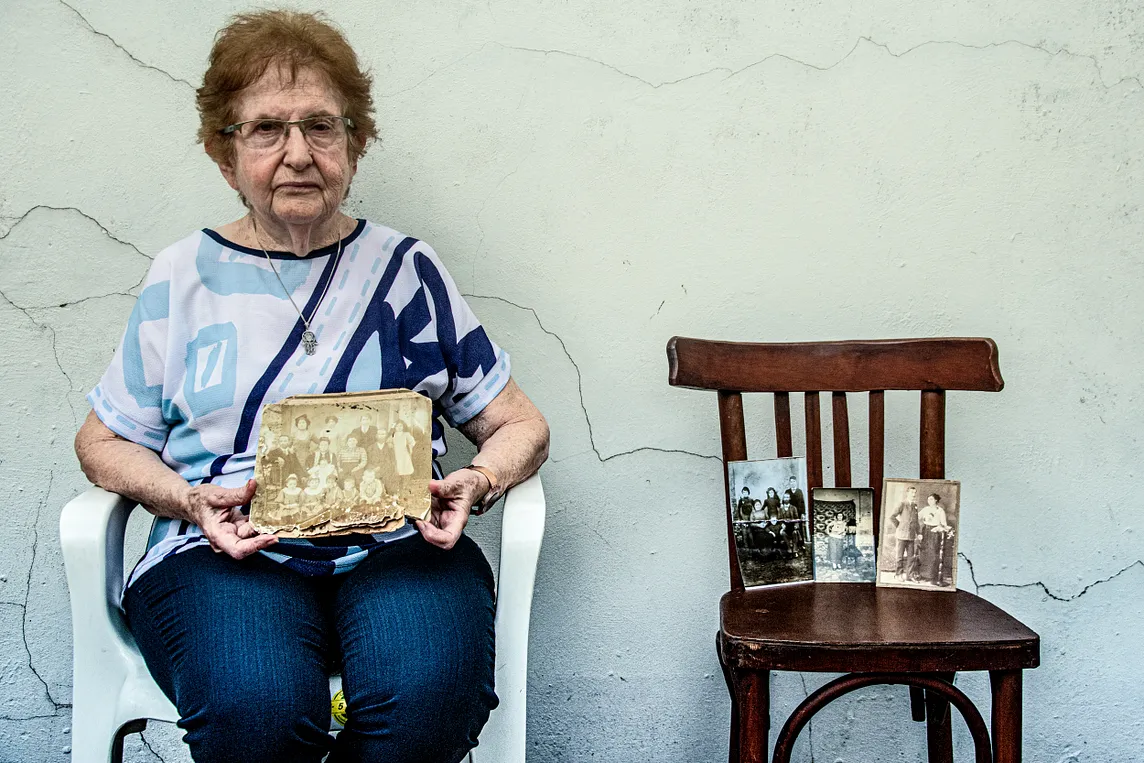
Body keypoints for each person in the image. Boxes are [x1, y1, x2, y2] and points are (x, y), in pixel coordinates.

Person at [72, 11, 550, 763]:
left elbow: (520, 422)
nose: (298, 153)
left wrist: (480, 478)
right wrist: (187, 499)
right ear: (224, 154)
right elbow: (101, 442)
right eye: (266, 129)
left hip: (399, 544)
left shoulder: (407, 273)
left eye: (321, 127)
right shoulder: (181, 276)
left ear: (354, 145)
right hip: (222, 549)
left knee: (430, 699)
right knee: (255, 708)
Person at [918, 493, 953, 585]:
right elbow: (917, 517)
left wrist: (937, 528)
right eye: (928, 499)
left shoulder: (940, 510)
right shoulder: (925, 509)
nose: (929, 501)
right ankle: (924, 575)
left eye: (931, 499)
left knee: (933, 554)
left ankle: (932, 577)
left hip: (935, 532)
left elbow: (943, 524)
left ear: (936, 500)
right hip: (925, 531)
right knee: (924, 553)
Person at [889, 486, 921, 581]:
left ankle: (909, 576)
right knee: (900, 556)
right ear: (907, 493)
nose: (913, 495)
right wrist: (899, 525)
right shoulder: (902, 504)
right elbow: (892, 516)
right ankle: (898, 574)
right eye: (911, 493)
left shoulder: (915, 506)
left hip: (911, 536)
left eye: (914, 493)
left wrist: (918, 533)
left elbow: (916, 521)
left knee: (911, 557)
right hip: (901, 535)